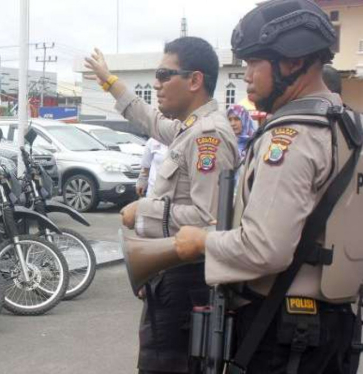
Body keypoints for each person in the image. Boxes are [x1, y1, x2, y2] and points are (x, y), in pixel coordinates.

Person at [175, 1, 361, 373]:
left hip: (282, 333)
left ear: (292, 63)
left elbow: (265, 249)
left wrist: (201, 241)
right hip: (336, 324)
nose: (245, 75)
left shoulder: (291, 139)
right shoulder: (348, 126)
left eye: (253, 62)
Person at [85, 37, 238, 373]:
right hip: (172, 273)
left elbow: (208, 218)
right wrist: (111, 83)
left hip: (187, 281)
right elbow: (151, 120)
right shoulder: (191, 128)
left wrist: (144, 211)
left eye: (165, 75)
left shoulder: (208, 136)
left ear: (195, 80)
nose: (157, 83)